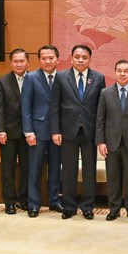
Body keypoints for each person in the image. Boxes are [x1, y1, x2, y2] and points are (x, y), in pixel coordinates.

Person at [50, 44, 106, 220]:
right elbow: (54, 106)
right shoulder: (60, 77)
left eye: (84, 57)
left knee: (90, 170)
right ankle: (69, 206)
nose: (81, 60)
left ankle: (88, 206)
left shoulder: (98, 78)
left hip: (90, 132)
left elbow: (101, 108)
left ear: (89, 59)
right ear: (72, 58)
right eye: (77, 57)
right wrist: (55, 130)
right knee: (68, 170)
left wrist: (100, 134)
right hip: (68, 131)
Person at [96, 60, 128, 221]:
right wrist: (100, 142)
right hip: (111, 142)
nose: (122, 74)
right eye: (119, 71)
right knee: (113, 176)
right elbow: (100, 119)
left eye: (126, 71)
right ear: (115, 72)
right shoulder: (105, 93)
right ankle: (114, 208)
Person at [22, 45, 64, 217]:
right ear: (39, 60)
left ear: (57, 60)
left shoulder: (63, 78)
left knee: (55, 168)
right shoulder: (31, 78)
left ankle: (54, 201)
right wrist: (28, 131)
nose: (47, 61)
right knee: (35, 169)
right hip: (37, 132)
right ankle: (33, 203)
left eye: (51, 58)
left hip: (58, 132)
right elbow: (26, 106)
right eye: (44, 58)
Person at [0, 48, 30, 214]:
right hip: (8, 133)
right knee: (8, 168)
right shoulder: (2, 81)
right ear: (11, 63)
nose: (19, 64)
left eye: (22, 61)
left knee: (26, 168)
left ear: (27, 62)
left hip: (28, 133)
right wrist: (0, 130)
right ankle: (9, 201)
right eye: (15, 61)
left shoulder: (33, 79)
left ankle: (24, 199)